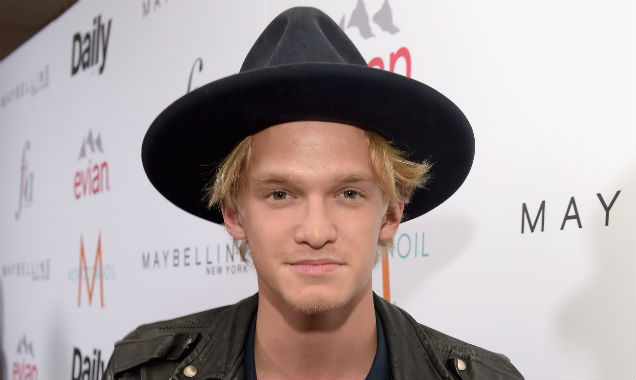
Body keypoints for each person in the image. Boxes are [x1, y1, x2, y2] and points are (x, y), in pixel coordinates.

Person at [104, 7, 523, 380]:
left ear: (392, 215)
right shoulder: (149, 372)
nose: (316, 231)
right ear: (233, 214)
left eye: (349, 194)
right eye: (280, 195)